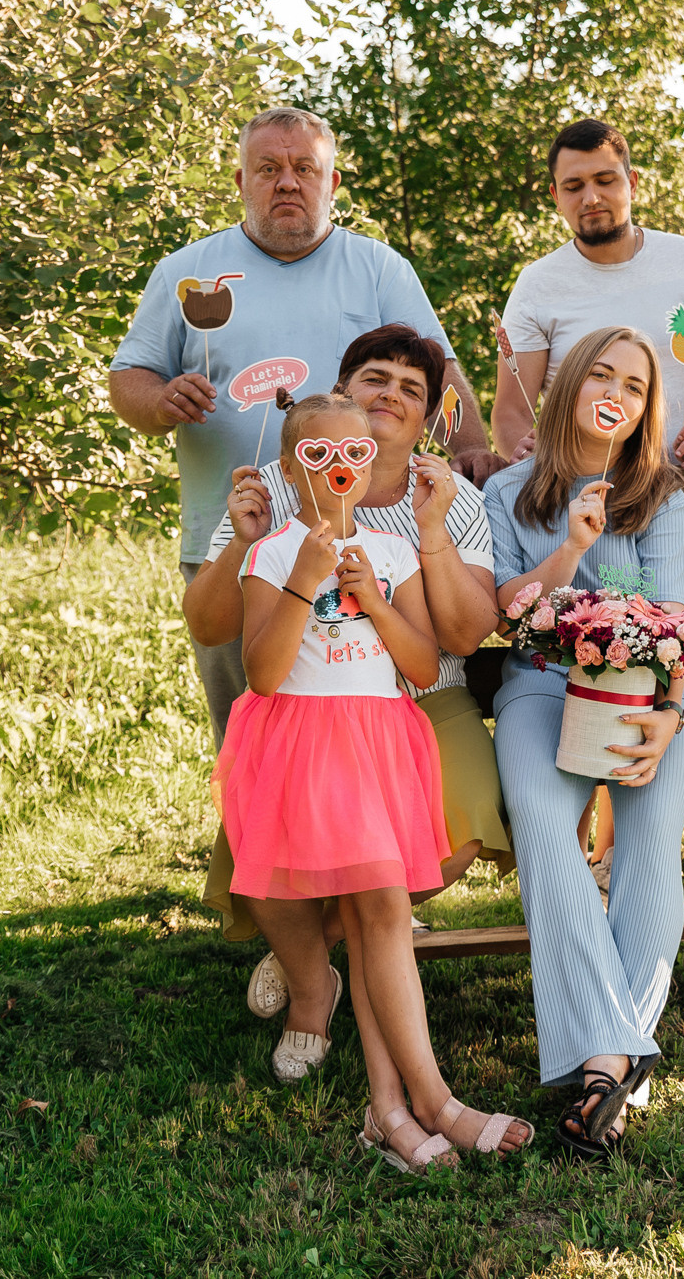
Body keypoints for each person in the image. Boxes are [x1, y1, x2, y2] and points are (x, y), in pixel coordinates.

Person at [109, 106, 495, 939]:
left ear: (332, 180)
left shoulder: (378, 267)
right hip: (246, 534)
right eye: (269, 168)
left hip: (378, 545)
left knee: (367, 720)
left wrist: (472, 452)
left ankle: (361, 906)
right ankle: (293, 923)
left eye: (305, 168)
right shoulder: (189, 269)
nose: (288, 182)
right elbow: (129, 381)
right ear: (242, 177)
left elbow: (440, 368)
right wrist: (161, 399)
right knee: (264, 740)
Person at [216, 391, 529, 1168]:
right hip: (300, 746)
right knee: (375, 915)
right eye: (319, 457)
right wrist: (306, 578)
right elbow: (261, 674)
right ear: (292, 469)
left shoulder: (391, 556)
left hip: (381, 740)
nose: (341, 469)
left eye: (355, 454)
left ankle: (396, 1108)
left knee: (378, 917)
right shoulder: (270, 552)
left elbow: (422, 665)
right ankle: (429, 1102)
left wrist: (371, 599)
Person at [186, 324, 510, 1010]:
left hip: (426, 697)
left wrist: (432, 534)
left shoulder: (451, 498)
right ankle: (313, 982)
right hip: (306, 700)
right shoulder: (277, 482)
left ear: (428, 418)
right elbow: (209, 624)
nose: (392, 393)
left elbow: (463, 634)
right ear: (344, 392)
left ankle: (318, 941)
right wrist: (234, 547)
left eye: (412, 388)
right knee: (271, 843)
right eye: (375, 377)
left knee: (466, 827)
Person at [482, 326, 684, 1158]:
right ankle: (614, 1059)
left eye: (638, 385)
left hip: (658, 689)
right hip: (544, 688)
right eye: (603, 376)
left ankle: (600, 1065)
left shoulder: (661, 495)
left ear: (648, 408)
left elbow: (672, 623)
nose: (618, 392)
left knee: (649, 831)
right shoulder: (510, 491)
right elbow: (504, 611)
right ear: (573, 386)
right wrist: (573, 546)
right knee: (546, 828)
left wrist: (672, 713)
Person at [495, 118, 684, 472]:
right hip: (576, 494)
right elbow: (511, 410)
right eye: (573, 186)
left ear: (631, 183)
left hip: (682, 487)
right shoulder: (536, 285)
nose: (591, 198)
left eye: (605, 180)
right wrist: (526, 458)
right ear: (556, 196)